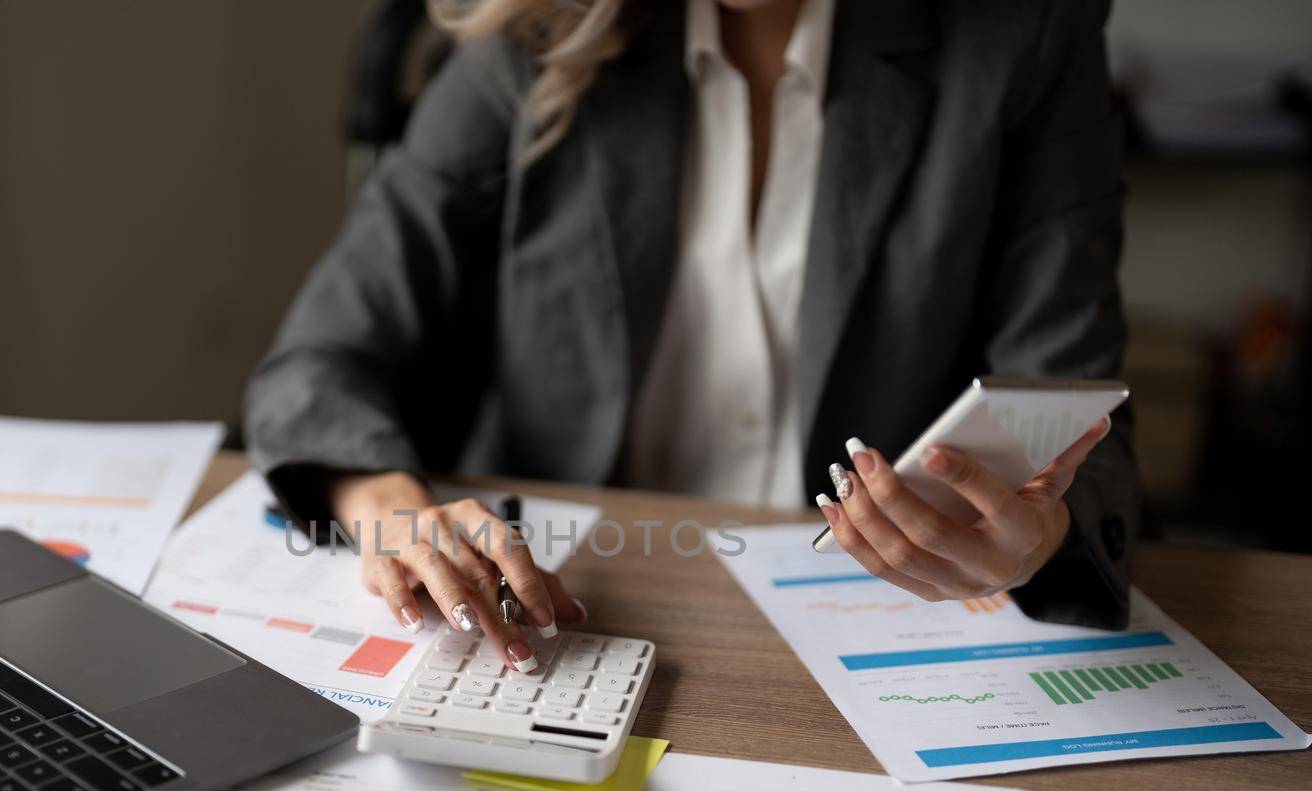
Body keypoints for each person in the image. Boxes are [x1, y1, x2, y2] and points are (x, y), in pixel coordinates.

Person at [246, 0, 1137, 677]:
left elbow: (1073, 410)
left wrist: (1039, 535)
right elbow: (319, 358)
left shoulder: (1026, 32)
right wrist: (390, 508)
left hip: (879, 636)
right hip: (584, 612)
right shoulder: (537, 34)